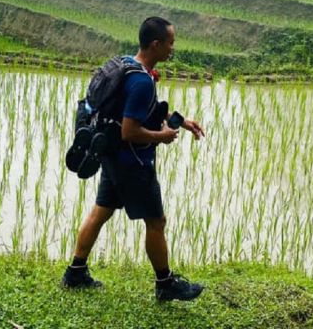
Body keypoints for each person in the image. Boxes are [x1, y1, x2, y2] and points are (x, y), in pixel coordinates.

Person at [61, 16, 206, 302]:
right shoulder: (142, 81)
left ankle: (75, 272)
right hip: (133, 163)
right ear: (156, 44)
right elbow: (130, 131)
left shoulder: (128, 65)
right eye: (170, 43)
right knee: (156, 221)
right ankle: (165, 283)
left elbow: (143, 108)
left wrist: (180, 120)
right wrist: (161, 136)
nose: (172, 48)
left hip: (112, 157)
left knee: (101, 211)